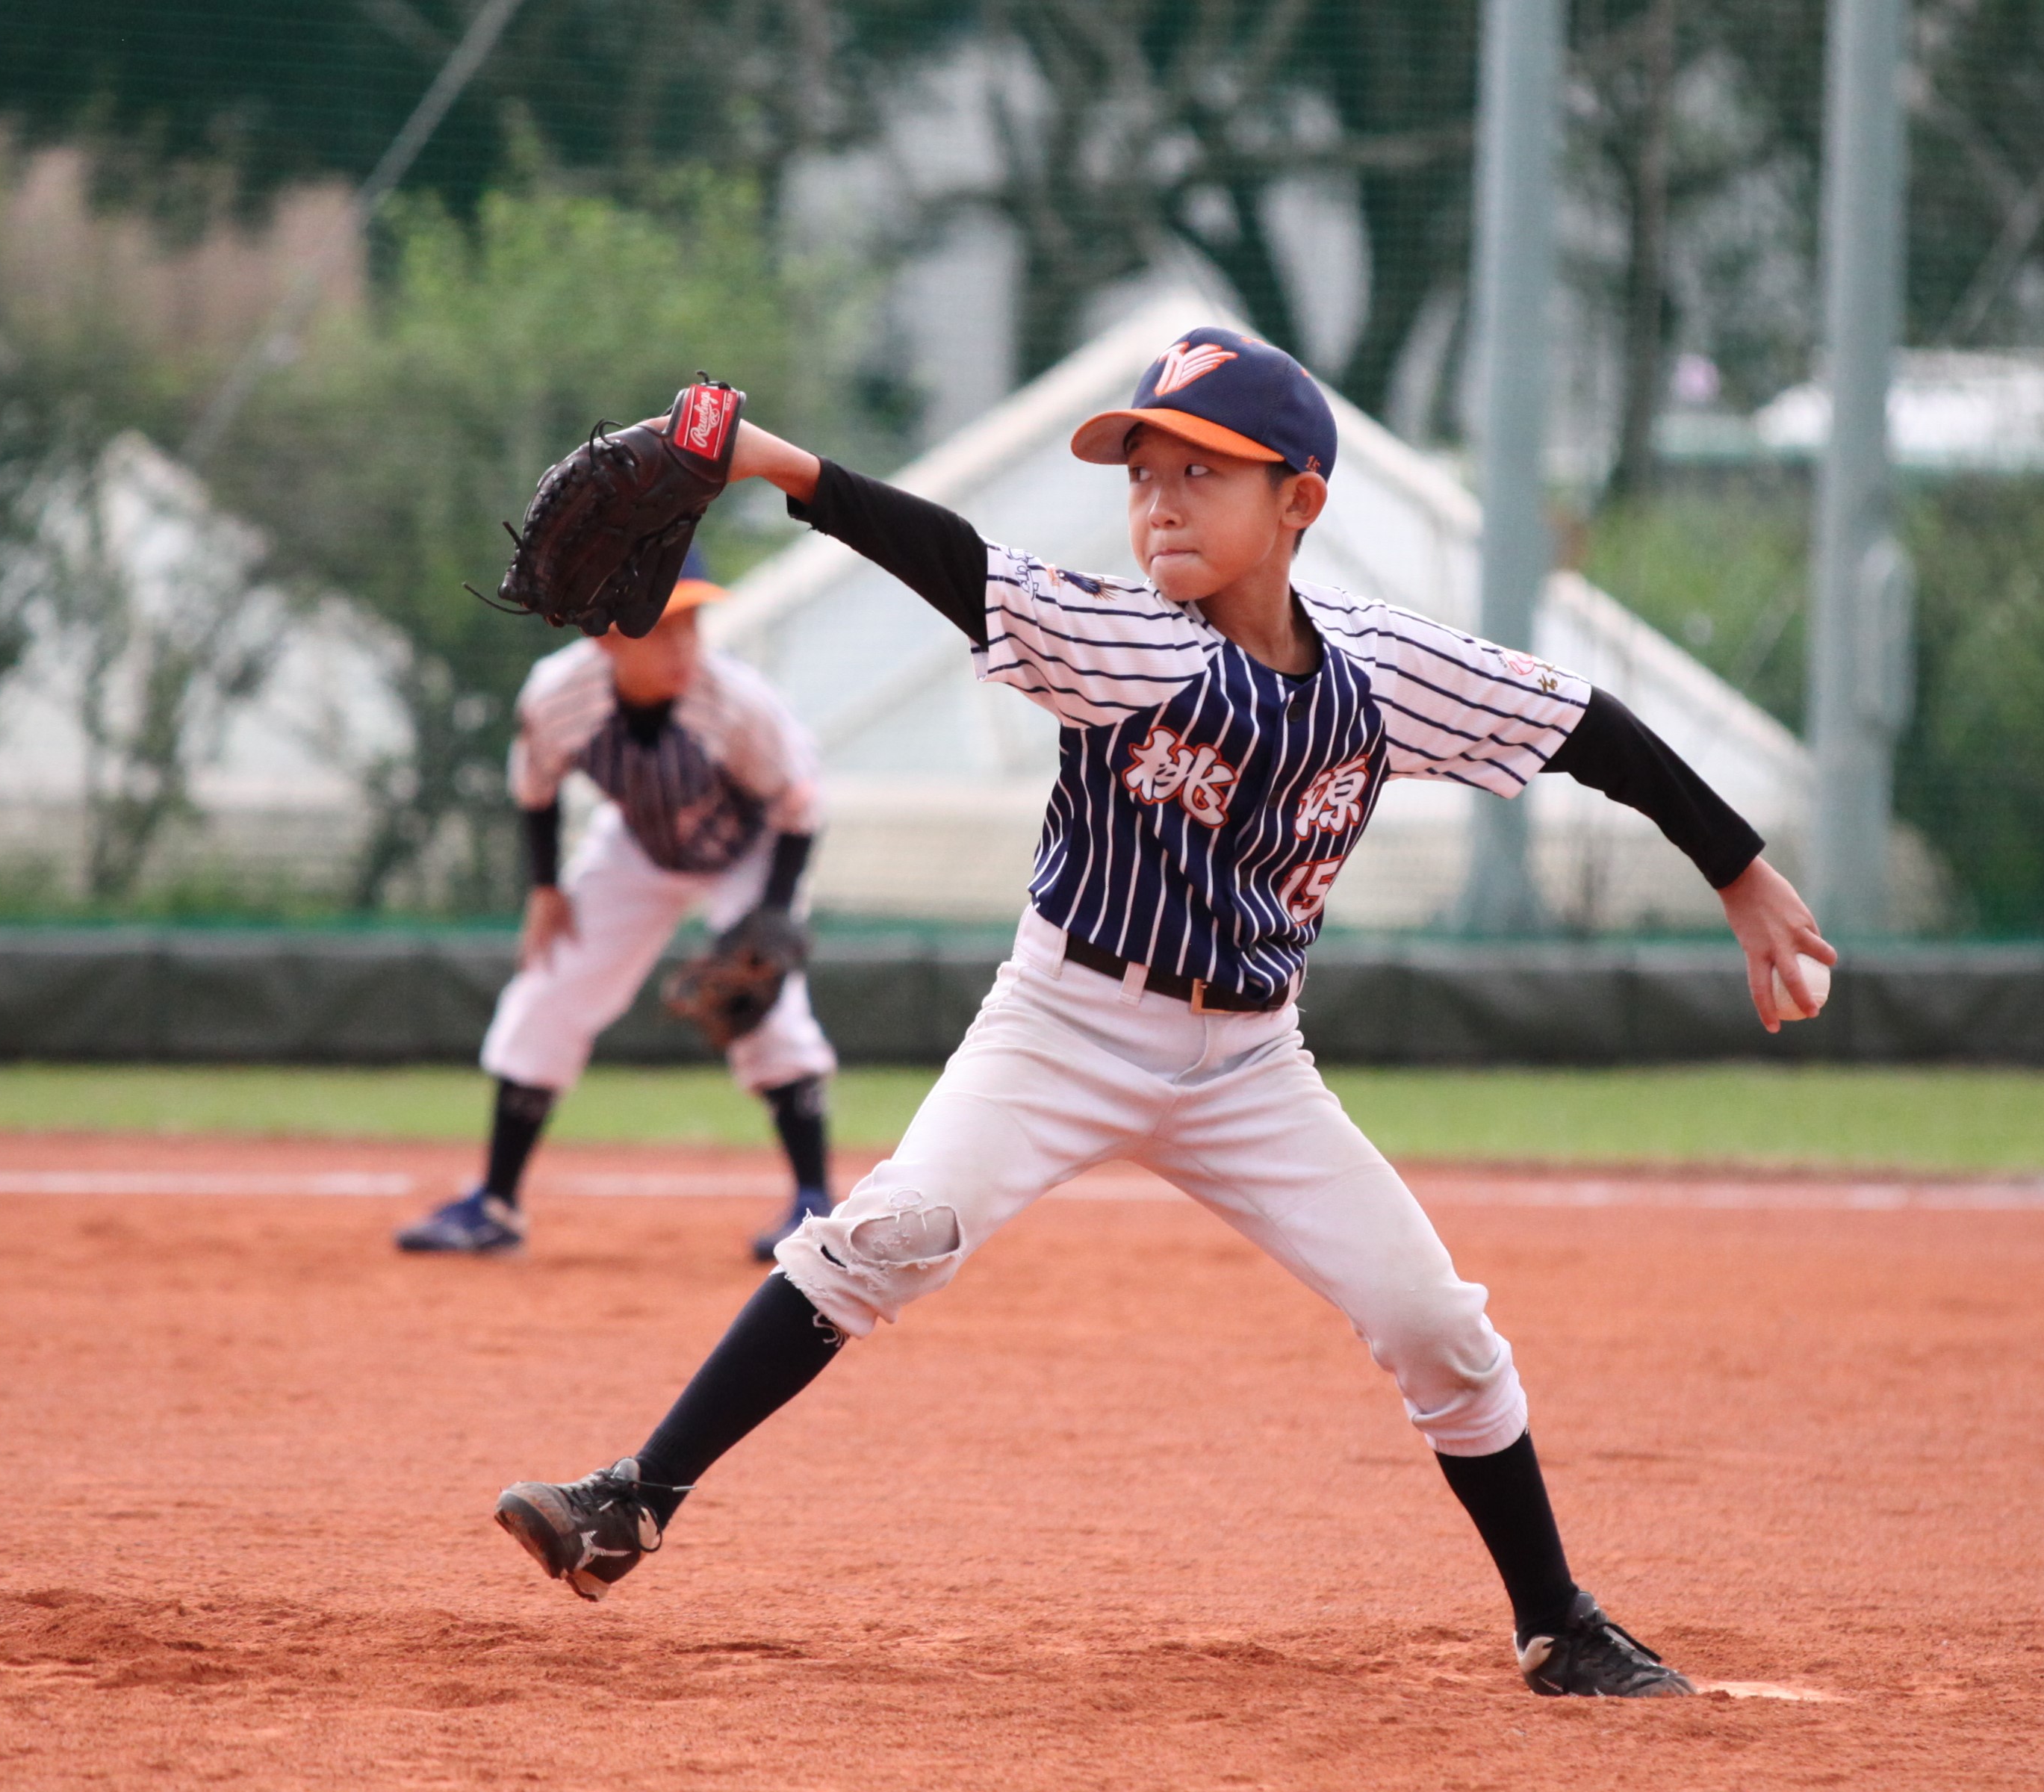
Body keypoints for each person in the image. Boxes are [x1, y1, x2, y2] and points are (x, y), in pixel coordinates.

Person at [487, 329, 1835, 1696]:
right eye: (1142, 477)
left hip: (1251, 1063)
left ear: (1299, 500)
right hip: (1062, 1026)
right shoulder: (1122, 640)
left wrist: (1741, 872)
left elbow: (1583, 725)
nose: (1161, 504)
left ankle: (1557, 1622)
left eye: (1202, 473)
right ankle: (633, 1499)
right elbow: (954, 560)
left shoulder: (1380, 673)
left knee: (1436, 1323)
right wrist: (769, 461)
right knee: (889, 1235)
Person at [394, 550, 839, 1262]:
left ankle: (813, 1205)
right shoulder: (558, 695)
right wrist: (545, 889)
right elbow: (536, 788)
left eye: (692, 623)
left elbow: (799, 806)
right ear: (603, 634)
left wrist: (775, 912)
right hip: (638, 844)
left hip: (751, 849)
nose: (684, 645)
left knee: (768, 1007)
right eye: (662, 627)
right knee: (549, 989)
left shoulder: (737, 702)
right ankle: (495, 1207)